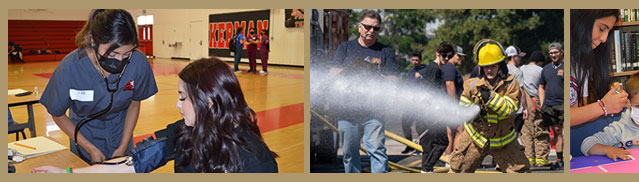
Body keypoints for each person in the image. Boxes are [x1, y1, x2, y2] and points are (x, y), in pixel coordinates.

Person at [33, 58, 279, 173]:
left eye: (183, 97)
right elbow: (133, 163)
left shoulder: (256, 161)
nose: (177, 104)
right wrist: (69, 174)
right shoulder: (184, 131)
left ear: (209, 102)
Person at [39, 9, 158, 164]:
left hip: (121, 133)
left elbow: (135, 103)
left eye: (126, 54)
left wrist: (123, 146)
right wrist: (90, 148)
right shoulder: (70, 68)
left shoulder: (138, 62)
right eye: (113, 54)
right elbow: (58, 114)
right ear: (93, 40)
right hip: (84, 135)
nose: (120, 60)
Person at [328, 10, 397, 173]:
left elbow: (394, 80)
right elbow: (332, 75)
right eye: (368, 27)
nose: (371, 31)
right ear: (359, 27)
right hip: (347, 110)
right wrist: (353, 71)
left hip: (373, 111)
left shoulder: (385, 52)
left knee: (377, 151)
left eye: (376, 29)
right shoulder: (345, 48)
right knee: (349, 154)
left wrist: (375, 75)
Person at [449, 39, 528, 173]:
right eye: (486, 66)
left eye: (493, 66)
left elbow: (510, 109)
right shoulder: (472, 85)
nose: (489, 70)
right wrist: (473, 112)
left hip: (504, 141)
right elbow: (463, 106)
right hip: (475, 139)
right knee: (458, 171)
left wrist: (491, 97)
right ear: (481, 67)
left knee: (520, 172)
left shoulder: (510, 84)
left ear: (500, 65)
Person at [569, 9, 626, 127]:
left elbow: (578, 113)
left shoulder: (581, 63)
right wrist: (603, 106)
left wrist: (610, 104)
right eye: (601, 29)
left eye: (608, 32)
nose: (604, 39)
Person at [419, 43, 455, 173]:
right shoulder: (434, 69)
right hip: (431, 114)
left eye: (449, 56)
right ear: (437, 54)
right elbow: (429, 93)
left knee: (429, 147)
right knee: (442, 142)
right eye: (444, 56)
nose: (446, 59)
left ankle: (426, 170)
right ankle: (427, 168)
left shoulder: (437, 69)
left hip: (430, 114)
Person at [539, 43, 565, 169]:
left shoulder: (567, 67)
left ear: (562, 52)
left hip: (564, 105)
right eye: (551, 53)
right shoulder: (546, 69)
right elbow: (541, 87)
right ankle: (560, 160)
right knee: (557, 132)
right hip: (550, 106)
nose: (553, 55)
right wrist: (543, 103)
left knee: (566, 131)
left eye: (555, 52)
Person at [519, 50, 547, 167]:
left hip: (525, 100)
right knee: (540, 129)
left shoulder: (521, 68)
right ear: (539, 62)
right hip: (537, 100)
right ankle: (541, 159)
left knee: (526, 131)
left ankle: (529, 158)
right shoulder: (541, 70)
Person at [400, 51, 426, 154]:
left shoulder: (425, 70)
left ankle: (422, 146)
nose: (414, 62)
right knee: (405, 123)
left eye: (416, 60)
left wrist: (420, 77)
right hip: (410, 103)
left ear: (420, 60)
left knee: (420, 126)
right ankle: (409, 145)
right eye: (413, 60)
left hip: (420, 103)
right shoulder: (411, 71)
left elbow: (428, 82)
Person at [504, 46, 526, 134]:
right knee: (514, 137)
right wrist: (525, 108)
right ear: (513, 57)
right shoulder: (517, 72)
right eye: (519, 56)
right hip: (517, 109)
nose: (520, 59)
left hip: (504, 108)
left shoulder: (501, 70)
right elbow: (521, 91)